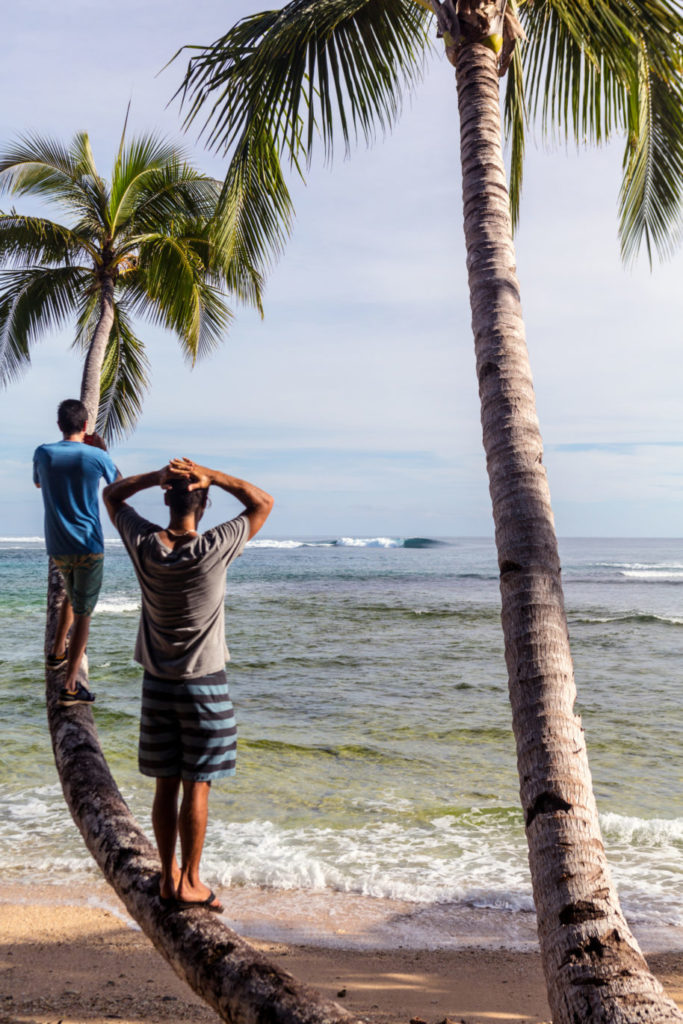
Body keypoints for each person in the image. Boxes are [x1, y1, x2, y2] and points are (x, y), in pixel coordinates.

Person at [103, 458, 273, 912]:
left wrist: (153, 476)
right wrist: (214, 474)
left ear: (166, 498)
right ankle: (192, 881)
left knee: (166, 785)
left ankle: (167, 877)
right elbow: (262, 502)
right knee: (198, 784)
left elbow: (112, 496)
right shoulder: (215, 546)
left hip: (156, 684)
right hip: (205, 686)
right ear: (204, 502)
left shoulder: (143, 543)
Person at [33, 399, 119, 706]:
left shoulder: (42, 453)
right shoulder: (96, 455)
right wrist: (102, 451)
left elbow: (39, 484)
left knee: (72, 593)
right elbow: (117, 486)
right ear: (85, 426)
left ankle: (57, 653)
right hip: (88, 545)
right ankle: (70, 686)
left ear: (59, 425)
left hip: (57, 545)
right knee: (84, 614)